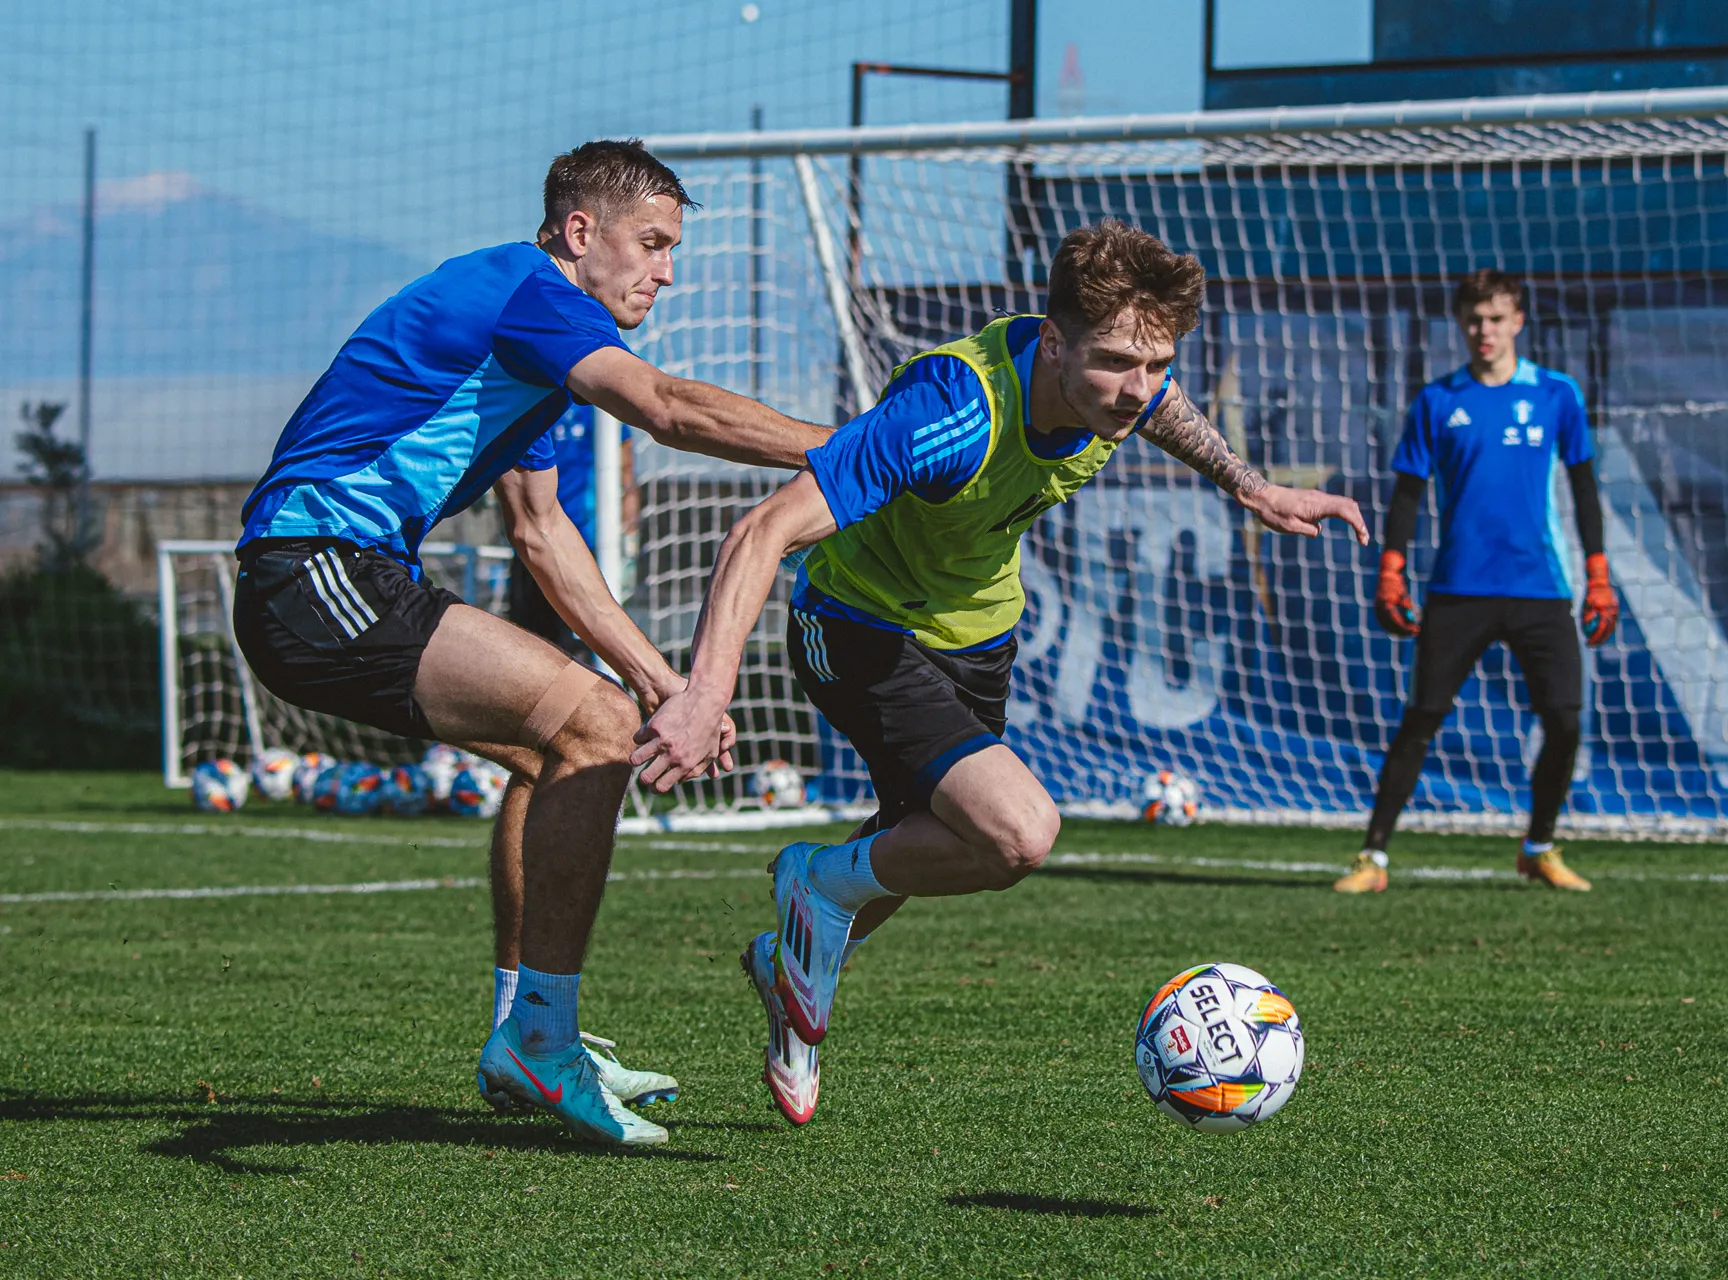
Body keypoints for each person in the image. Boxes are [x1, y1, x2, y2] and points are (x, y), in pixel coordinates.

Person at [631, 219, 1370, 1124]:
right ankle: (814, 886)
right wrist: (705, 693)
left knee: (924, 839)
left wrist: (1251, 486)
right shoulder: (952, 412)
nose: (1137, 389)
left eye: (1155, 363)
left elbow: (1164, 402)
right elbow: (762, 531)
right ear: (1052, 342)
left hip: (979, 635)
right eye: (1116, 364)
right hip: (859, 624)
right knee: (1017, 834)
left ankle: (795, 955)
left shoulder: (1121, 383)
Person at [231, 139, 830, 1146]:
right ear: (580, 232)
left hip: (341, 574)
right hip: (314, 569)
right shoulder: (529, 294)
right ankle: (543, 1041)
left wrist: (662, 681)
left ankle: (525, 1029)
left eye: (673, 250)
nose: (667, 272)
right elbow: (664, 406)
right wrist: (852, 448)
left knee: (560, 752)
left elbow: (546, 536)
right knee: (591, 724)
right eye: (652, 243)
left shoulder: (531, 346)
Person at [1333, 267, 1618, 895]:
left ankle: (1539, 847)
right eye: (1473, 320)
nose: (1483, 330)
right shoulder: (1438, 401)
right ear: (1460, 325)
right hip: (1459, 587)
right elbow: (1409, 494)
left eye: (1495, 319)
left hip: (1541, 586)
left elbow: (1583, 486)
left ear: (1518, 321)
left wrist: (1598, 574)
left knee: (1565, 720)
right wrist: (1391, 569)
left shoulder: (1557, 394)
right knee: (1422, 718)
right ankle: (1372, 857)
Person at [505, 401, 633, 661]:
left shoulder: (598, 408)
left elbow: (626, 464)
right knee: (528, 638)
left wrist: (629, 529)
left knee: (580, 640)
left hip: (583, 543)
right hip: (531, 540)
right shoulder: (534, 400)